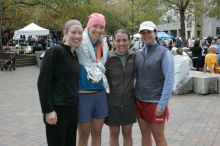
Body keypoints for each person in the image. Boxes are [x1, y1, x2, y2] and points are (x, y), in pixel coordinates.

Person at [37, 19, 83, 146]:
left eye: (80, 33)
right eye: (74, 32)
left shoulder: (74, 55)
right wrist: (48, 110)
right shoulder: (55, 51)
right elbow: (43, 82)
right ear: (65, 33)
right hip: (57, 110)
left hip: (71, 110)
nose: (77, 36)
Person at [135, 21, 174, 146]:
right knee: (144, 135)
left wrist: (162, 105)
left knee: (159, 138)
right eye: (143, 32)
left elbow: (169, 80)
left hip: (155, 102)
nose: (146, 35)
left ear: (155, 33)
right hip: (139, 101)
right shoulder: (138, 54)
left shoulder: (164, 53)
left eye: (149, 32)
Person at [76, 13, 109, 146]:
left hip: (100, 94)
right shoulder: (78, 42)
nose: (98, 30)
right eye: (95, 26)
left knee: (97, 134)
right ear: (88, 26)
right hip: (83, 95)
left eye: (101, 27)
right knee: (84, 136)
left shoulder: (104, 44)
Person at [105, 29, 136, 146]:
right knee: (114, 135)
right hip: (112, 103)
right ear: (113, 41)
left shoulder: (134, 56)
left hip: (129, 102)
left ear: (129, 41)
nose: (121, 43)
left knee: (127, 134)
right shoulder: (107, 58)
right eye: (118, 40)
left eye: (124, 40)